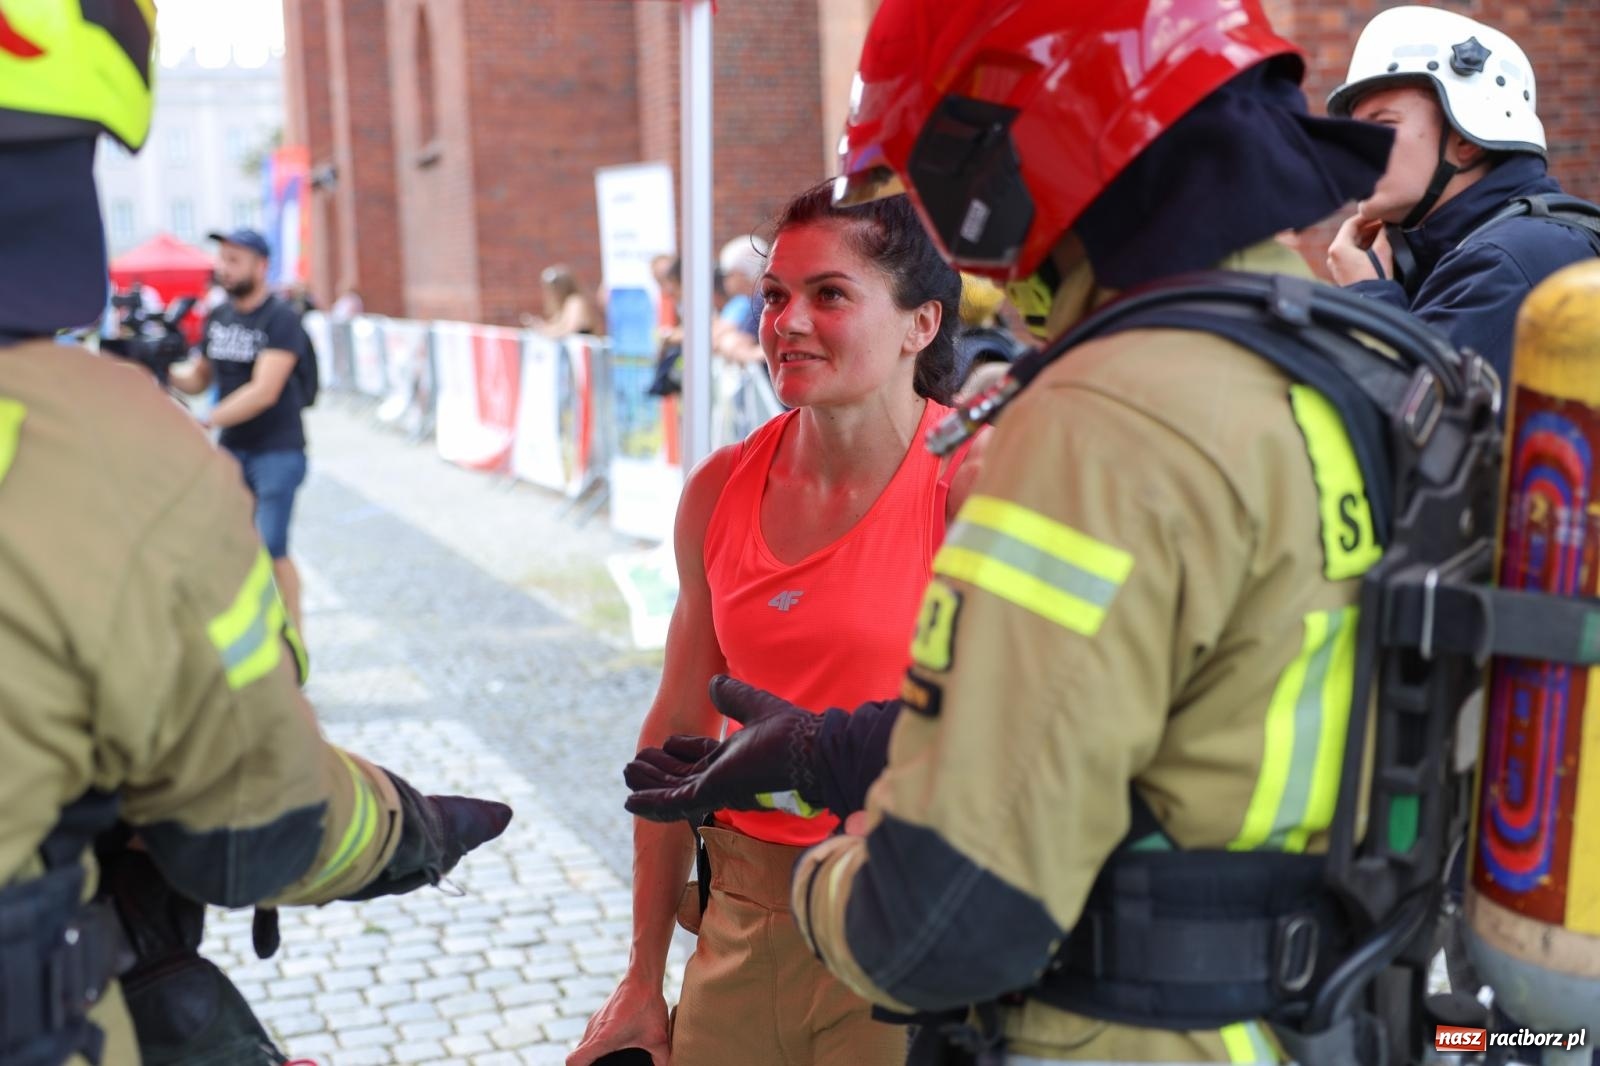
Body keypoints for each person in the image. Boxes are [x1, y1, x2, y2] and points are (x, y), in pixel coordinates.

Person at [618, 0, 1440, 1061]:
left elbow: (946, 920)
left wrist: (808, 893)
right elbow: (1177, 706)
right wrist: (833, 748)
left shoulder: (1096, 423)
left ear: (1010, 153)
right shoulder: (1373, 366)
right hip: (1330, 1014)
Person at [0, 6, 511, 1063]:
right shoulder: (99, 450)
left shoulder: (261, 327)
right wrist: (407, 827)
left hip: (264, 457)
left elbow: (245, 386)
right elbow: (258, 827)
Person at [568, 182, 987, 1066]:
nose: (786, 322)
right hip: (744, 923)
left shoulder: (973, 483)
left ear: (921, 324)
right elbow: (675, 735)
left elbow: (1019, 734)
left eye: (829, 294)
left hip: (913, 923)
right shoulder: (721, 488)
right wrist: (643, 972)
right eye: (774, 296)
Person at [1324, 5, 1599, 384]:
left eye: (1383, 125)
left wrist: (1367, 296)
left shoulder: (1508, 263)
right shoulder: (1460, 252)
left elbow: (1412, 425)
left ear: (1466, 139)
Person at [168, 228, 314, 635]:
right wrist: (156, 369)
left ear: (261, 266)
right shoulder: (219, 316)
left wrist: (206, 419)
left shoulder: (282, 318)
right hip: (233, 450)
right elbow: (199, 378)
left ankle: (293, 645)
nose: (224, 268)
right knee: (233, 549)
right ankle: (254, 634)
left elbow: (264, 390)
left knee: (272, 547)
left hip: (277, 452)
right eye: (222, 258)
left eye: (234, 260)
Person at [525, 263, 601, 337]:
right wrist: (540, 327)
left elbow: (570, 330)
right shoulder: (564, 304)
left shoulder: (576, 302)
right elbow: (557, 327)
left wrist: (545, 332)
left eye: (554, 288)